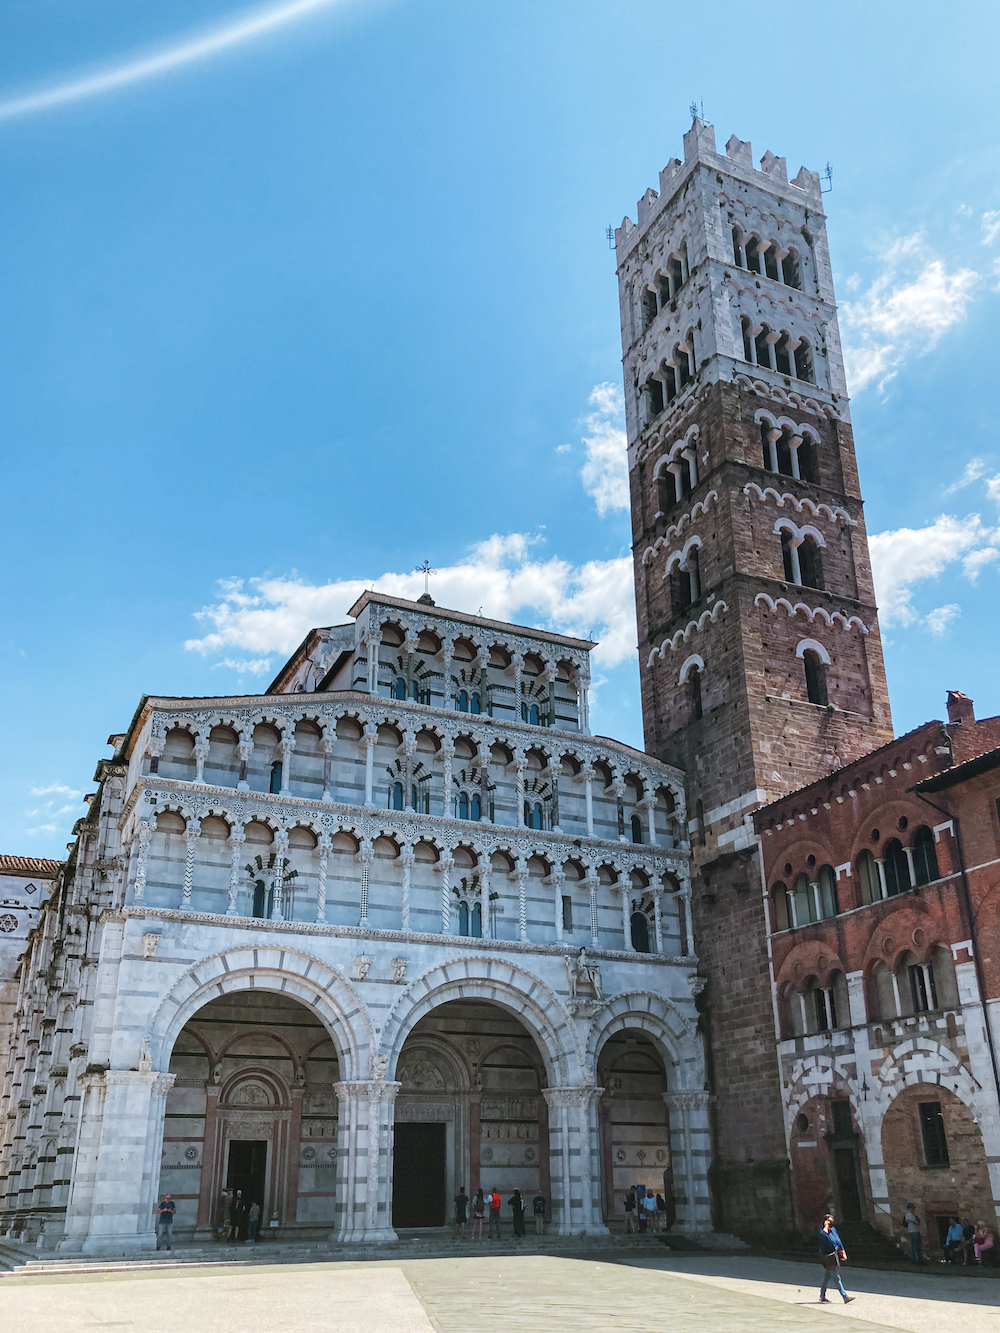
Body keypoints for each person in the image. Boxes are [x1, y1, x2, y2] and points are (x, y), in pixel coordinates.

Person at [818, 1215, 855, 1306]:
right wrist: (826, 1227)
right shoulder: (822, 1233)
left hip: (834, 1256)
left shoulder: (833, 1230)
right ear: (825, 1222)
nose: (831, 1223)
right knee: (836, 1277)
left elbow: (838, 1241)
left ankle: (822, 1295)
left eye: (832, 1221)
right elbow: (827, 1240)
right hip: (827, 1257)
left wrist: (843, 1252)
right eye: (829, 1221)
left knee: (827, 1276)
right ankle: (845, 1296)